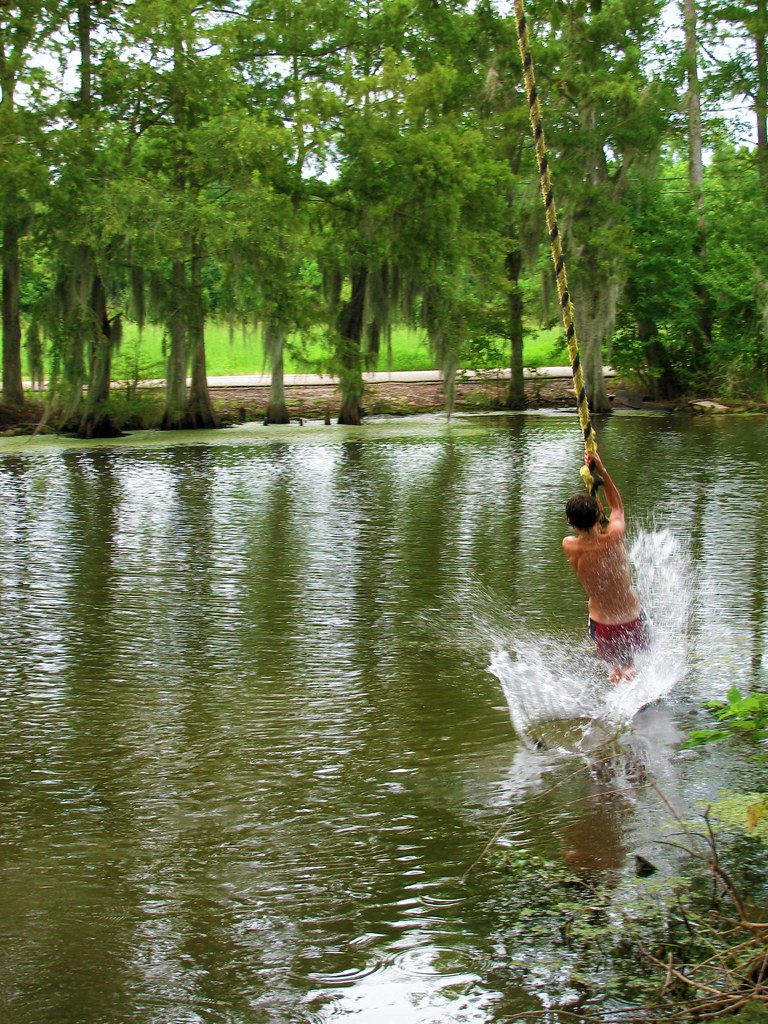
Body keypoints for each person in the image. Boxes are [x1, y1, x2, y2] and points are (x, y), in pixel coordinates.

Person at [562, 452, 649, 683]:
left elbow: (591, 531)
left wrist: (597, 515)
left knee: (616, 669)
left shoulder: (570, 546)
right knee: (639, 660)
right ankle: (632, 677)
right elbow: (617, 507)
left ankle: (616, 676)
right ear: (600, 511)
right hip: (633, 619)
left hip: (602, 626)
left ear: (570, 523)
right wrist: (601, 470)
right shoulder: (615, 535)